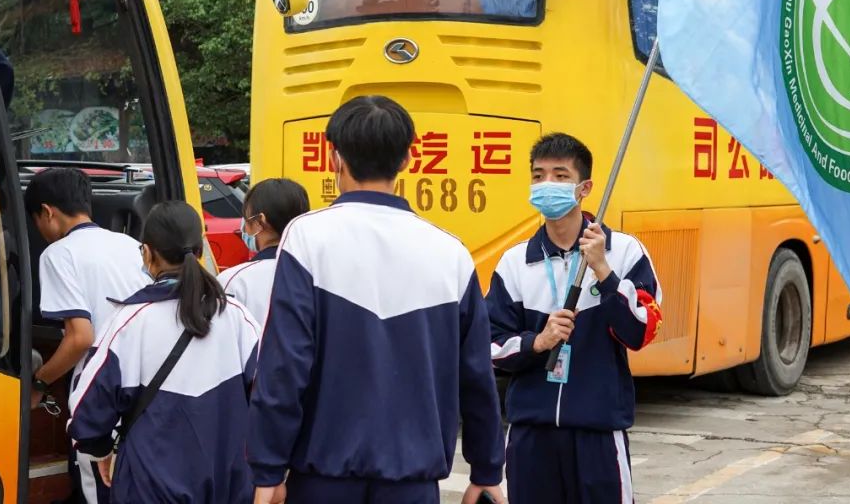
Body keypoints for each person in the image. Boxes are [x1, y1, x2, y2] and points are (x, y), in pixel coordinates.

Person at [248, 95, 506, 504]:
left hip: (322, 480)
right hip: (414, 483)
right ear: (407, 159)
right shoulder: (451, 252)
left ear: (334, 158)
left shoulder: (307, 237)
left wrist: (268, 468)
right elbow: (476, 374)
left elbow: (285, 364)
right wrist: (486, 469)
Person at [486, 133, 663, 504]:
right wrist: (537, 342)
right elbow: (488, 346)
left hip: (598, 434)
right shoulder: (515, 262)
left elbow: (642, 331)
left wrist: (604, 272)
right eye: (538, 176)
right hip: (531, 435)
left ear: (584, 188)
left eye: (560, 175)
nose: (546, 184)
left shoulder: (625, 251)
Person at [68, 201, 261, 503]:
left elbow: (86, 412)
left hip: (149, 488)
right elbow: (271, 395)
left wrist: (102, 450)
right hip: (229, 486)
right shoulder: (236, 315)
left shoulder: (128, 323)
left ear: (147, 253)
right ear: (200, 250)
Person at [25, 167, 148, 504]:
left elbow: (79, 338)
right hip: (145, 388)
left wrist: (39, 383)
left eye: (36, 220)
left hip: (100, 394)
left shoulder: (58, 254)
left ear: (47, 212)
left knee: (95, 487)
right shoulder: (131, 245)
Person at [218, 177, 310, 328]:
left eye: (246, 218)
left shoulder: (234, 281)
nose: (243, 228)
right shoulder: (317, 276)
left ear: (259, 222)